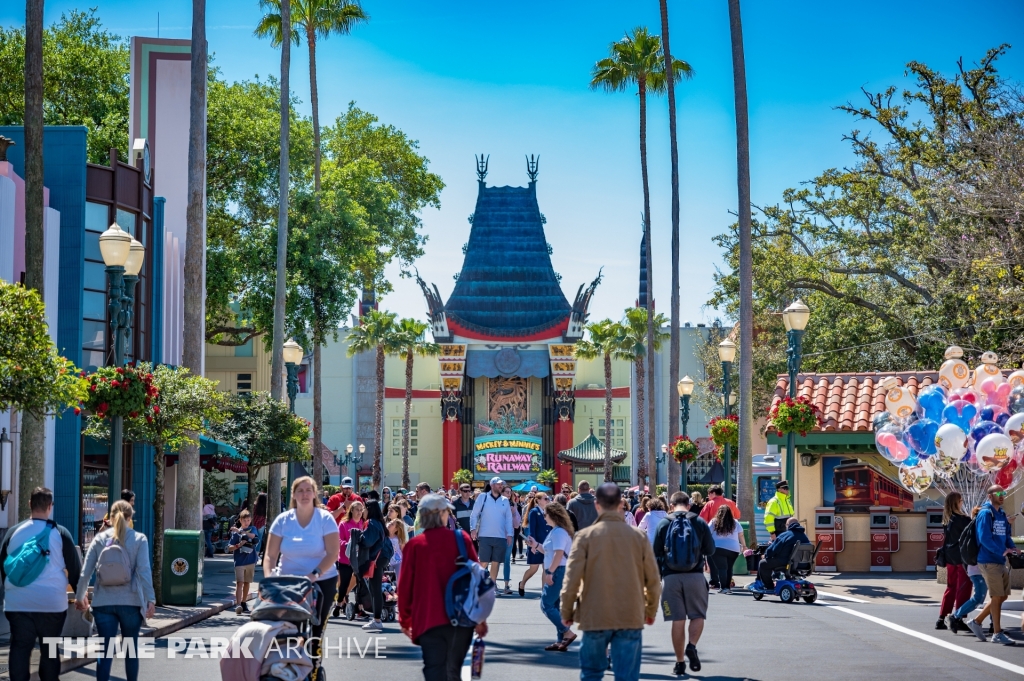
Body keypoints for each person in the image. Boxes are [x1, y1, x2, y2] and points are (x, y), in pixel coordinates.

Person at [561, 483, 661, 681]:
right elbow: (653, 579)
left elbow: (571, 578)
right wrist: (650, 610)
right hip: (630, 615)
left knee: (591, 674)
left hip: (594, 615)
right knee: (627, 676)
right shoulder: (638, 537)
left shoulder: (584, 537)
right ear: (620, 505)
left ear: (597, 504)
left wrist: (567, 612)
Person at [398, 494, 488, 681]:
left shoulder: (414, 546)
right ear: (439, 514)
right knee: (453, 671)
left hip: (428, 620)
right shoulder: (461, 539)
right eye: (447, 511)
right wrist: (480, 617)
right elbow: (478, 577)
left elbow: (405, 587)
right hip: (461, 618)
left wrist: (405, 620)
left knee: (434, 669)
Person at [1, 487, 82, 681]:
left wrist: (11, 590)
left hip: (18, 603)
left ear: (30, 504)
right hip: (52, 604)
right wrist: (80, 596)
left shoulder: (13, 532)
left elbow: (4, 567)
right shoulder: (60, 533)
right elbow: (75, 570)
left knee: (20, 647)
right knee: (50, 649)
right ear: (50, 506)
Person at [75, 499, 155, 681]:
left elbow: (85, 572)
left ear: (109, 517)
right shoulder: (139, 539)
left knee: (105, 651)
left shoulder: (99, 539)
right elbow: (144, 571)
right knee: (130, 650)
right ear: (130, 518)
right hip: (131, 602)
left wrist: (80, 597)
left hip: (104, 601)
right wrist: (151, 599)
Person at [263, 476, 340, 646]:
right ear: (293, 495)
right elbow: (270, 556)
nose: (304, 494)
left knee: (315, 633)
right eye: (300, 491)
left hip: (322, 580)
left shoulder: (325, 519)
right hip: (288, 583)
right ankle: (288, 666)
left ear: (314, 494)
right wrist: (269, 579)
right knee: (288, 630)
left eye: (308, 490)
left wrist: (313, 576)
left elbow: (333, 553)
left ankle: (313, 668)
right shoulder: (282, 521)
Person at [652, 492, 716, 675]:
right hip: (695, 576)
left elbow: (655, 553)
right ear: (688, 505)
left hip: (671, 578)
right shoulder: (699, 522)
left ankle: (679, 663)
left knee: (677, 620)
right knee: (697, 615)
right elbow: (710, 550)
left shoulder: (664, 523)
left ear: (670, 506)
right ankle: (692, 645)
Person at [966, 485, 1019, 645]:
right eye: (998, 493)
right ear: (990, 496)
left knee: (1003, 596)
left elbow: (1005, 535)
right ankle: (997, 633)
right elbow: (984, 538)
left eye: (1003, 493)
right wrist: (1000, 550)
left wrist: (1012, 547)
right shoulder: (985, 513)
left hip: (999, 560)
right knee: (996, 596)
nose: (1002, 495)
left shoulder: (1001, 514)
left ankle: (976, 621)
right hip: (988, 560)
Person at [526, 502, 576, 651]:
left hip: (558, 570)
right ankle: (561, 641)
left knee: (546, 604)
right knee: (554, 605)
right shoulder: (556, 531)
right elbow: (547, 550)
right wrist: (535, 545)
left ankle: (567, 632)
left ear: (552, 515)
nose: (544, 517)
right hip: (559, 569)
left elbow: (558, 553)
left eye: (545, 514)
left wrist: (549, 572)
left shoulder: (559, 532)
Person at [469, 477, 514, 583]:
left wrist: (510, 534)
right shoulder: (483, 497)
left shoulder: (505, 500)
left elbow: (508, 518)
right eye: (498, 484)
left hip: (500, 536)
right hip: (485, 535)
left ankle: (492, 585)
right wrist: (473, 529)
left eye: (501, 484)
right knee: (484, 562)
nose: (500, 486)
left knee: (496, 562)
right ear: (492, 485)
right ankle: (474, 583)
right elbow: (474, 514)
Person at [937, 491, 971, 631]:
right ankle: (959, 618)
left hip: (950, 557)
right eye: (961, 500)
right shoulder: (963, 519)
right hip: (962, 558)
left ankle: (941, 618)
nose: (962, 502)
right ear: (957, 502)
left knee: (951, 587)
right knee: (964, 587)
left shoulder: (947, 519)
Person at [952, 506, 988, 633]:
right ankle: (955, 616)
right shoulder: (976, 531)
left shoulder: (977, 529)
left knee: (990, 596)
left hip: (980, 568)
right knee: (979, 597)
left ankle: (995, 625)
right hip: (977, 568)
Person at [357, 500, 391, 633]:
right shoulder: (379, 523)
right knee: (375, 588)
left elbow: (367, 541)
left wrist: (359, 537)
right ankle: (377, 619)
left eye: (364, 508)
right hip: (382, 558)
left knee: (375, 589)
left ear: (369, 509)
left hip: (375, 559)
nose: (363, 511)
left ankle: (377, 620)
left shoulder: (371, 523)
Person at [755, 517, 809, 592]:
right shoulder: (805, 537)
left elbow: (772, 549)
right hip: (803, 564)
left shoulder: (785, 535)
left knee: (763, 563)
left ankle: (769, 586)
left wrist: (766, 555)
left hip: (786, 562)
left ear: (787, 525)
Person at [333, 501, 367, 618]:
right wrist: (348, 545)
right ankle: (338, 604)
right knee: (344, 584)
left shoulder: (363, 523)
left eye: (361, 510)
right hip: (345, 559)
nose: (359, 512)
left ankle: (360, 607)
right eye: (357, 509)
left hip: (359, 559)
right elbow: (338, 540)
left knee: (361, 583)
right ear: (351, 510)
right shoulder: (343, 524)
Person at [227, 510, 261, 615]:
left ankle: (243, 602)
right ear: (240, 520)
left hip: (251, 561)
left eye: (248, 520)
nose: (247, 522)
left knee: (247, 583)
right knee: (239, 583)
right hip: (239, 562)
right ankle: (238, 604)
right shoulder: (235, 534)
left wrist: (240, 532)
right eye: (244, 520)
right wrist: (238, 545)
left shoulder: (252, 529)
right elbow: (230, 548)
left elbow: (254, 537)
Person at [708, 505, 746, 594]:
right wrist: (744, 546)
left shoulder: (714, 522)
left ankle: (723, 587)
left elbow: (707, 533)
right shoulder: (735, 522)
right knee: (729, 568)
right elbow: (741, 535)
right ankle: (727, 587)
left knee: (722, 568)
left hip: (718, 548)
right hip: (734, 549)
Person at [520, 493, 551, 596]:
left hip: (546, 544)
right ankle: (522, 583)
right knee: (533, 568)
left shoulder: (548, 512)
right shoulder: (534, 512)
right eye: (545, 498)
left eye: (548, 498)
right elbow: (532, 529)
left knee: (545, 568)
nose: (547, 500)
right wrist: (533, 544)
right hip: (536, 542)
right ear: (538, 500)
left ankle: (544, 592)